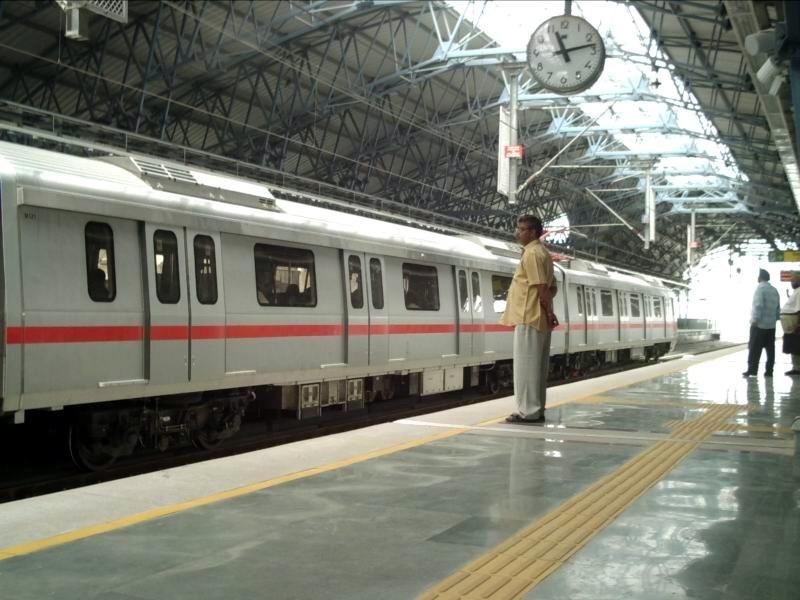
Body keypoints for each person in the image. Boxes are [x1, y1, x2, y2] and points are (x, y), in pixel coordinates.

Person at [501, 215, 558, 424]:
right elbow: (553, 288)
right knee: (537, 369)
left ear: (533, 232)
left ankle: (528, 412)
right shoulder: (544, 253)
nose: (518, 232)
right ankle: (536, 409)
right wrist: (549, 312)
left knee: (526, 368)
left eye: (522, 229)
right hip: (538, 317)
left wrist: (549, 312)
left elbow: (541, 288)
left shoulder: (532, 254)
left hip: (529, 316)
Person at [743, 268, 780, 377]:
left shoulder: (760, 289)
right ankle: (769, 371)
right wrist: (775, 319)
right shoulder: (775, 290)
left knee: (754, 348)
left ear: (760, 278)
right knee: (770, 350)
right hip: (771, 326)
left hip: (759, 325)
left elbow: (758, 305)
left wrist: (754, 320)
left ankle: (752, 370)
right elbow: (778, 308)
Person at [780, 273, 800, 375]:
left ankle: (797, 368)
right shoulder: (796, 292)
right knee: (794, 346)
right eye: (791, 281)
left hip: (794, 324)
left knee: (796, 346)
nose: (792, 282)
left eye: (794, 280)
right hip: (790, 324)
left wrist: (798, 324)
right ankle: (796, 368)